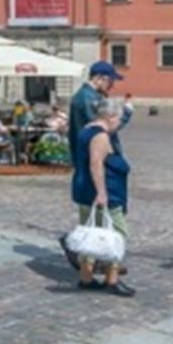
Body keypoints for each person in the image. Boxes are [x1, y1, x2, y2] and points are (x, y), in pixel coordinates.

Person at [64, 61, 125, 267]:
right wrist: (126, 117)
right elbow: (104, 126)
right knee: (109, 221)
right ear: (99, 78)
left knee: (90, 217)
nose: (111, 87)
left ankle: (91, 263)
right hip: (96, 160)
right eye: (110, 81)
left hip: (85, 159)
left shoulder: (83, 96)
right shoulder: (89, 99)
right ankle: (101, 260)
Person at [73, 96, 134, 297]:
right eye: (119, 119)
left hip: (84, 189)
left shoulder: (86, 129)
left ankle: (86, 277)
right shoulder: (100, 136)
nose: (119, 124)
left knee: (90, 232)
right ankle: (112, 279)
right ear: (111, 116)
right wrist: (102, 192)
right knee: (117, 233)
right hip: (104, 192)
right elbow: (96, 163)